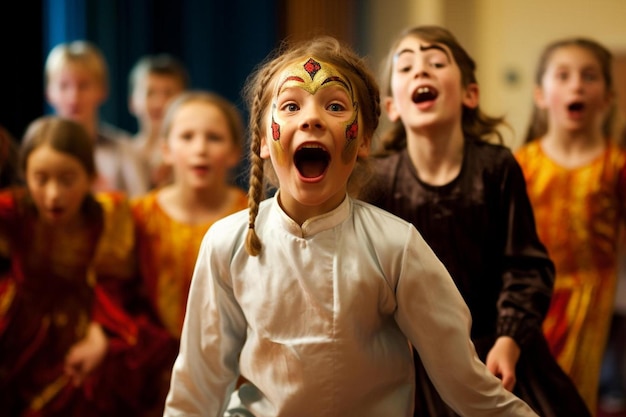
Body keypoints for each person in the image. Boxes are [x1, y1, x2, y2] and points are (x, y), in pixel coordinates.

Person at [163, 35, 540, 417]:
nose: (311, 118)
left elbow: (466, 384)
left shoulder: (396, 246)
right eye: (291, 105)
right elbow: (198, 387)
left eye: (336, 105)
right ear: (262, 141)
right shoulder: (227, 243)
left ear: (362, 141)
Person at [359, 25, 591, 417]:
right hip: (416, 359)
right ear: (392, 106)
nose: (421, 72)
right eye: (407, 67)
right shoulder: (378, 180)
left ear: (470, 94)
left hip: (500, 349)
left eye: (436, 62)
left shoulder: (497, 167)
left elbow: (526, 266)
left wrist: (510, 340)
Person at [0, 116, 176, 416]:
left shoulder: (108, 214)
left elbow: (114, 285)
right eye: (40, 179)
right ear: (24, 175)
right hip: (22, 327)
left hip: (92, 316)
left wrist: (102, 334)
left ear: (91, 175)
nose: (54, 194)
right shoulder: (13, 211)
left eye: (68, 180)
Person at [514, 37, 626, 414]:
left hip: (593, 300)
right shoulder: (522, 164)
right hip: (531, 299)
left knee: (574, 397)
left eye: (589, 76)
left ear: (607, 98)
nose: (576, 85)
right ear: (541, 95)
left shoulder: (615, 166)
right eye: (563, 76)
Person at [130, 91, 247, 415]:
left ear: (235, 151)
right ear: (166, 149)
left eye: (214, 138)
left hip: (232, 373)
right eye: (187, 137)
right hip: (151, 374)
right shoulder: (139, 216)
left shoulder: (253, 216)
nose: (200, 149)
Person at [45, 40, 150, 197]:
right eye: (63, 86)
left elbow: (140, 208)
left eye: (84, 86)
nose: (74, 97)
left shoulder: (125, 151)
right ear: (49, 92)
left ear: (102, 89)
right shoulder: (37, 152)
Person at [128, 53, 189, 189]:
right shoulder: (123, 153)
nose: (159, 103)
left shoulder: (191, 156)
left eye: (168, 93)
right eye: (150, 93)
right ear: (132, 102)